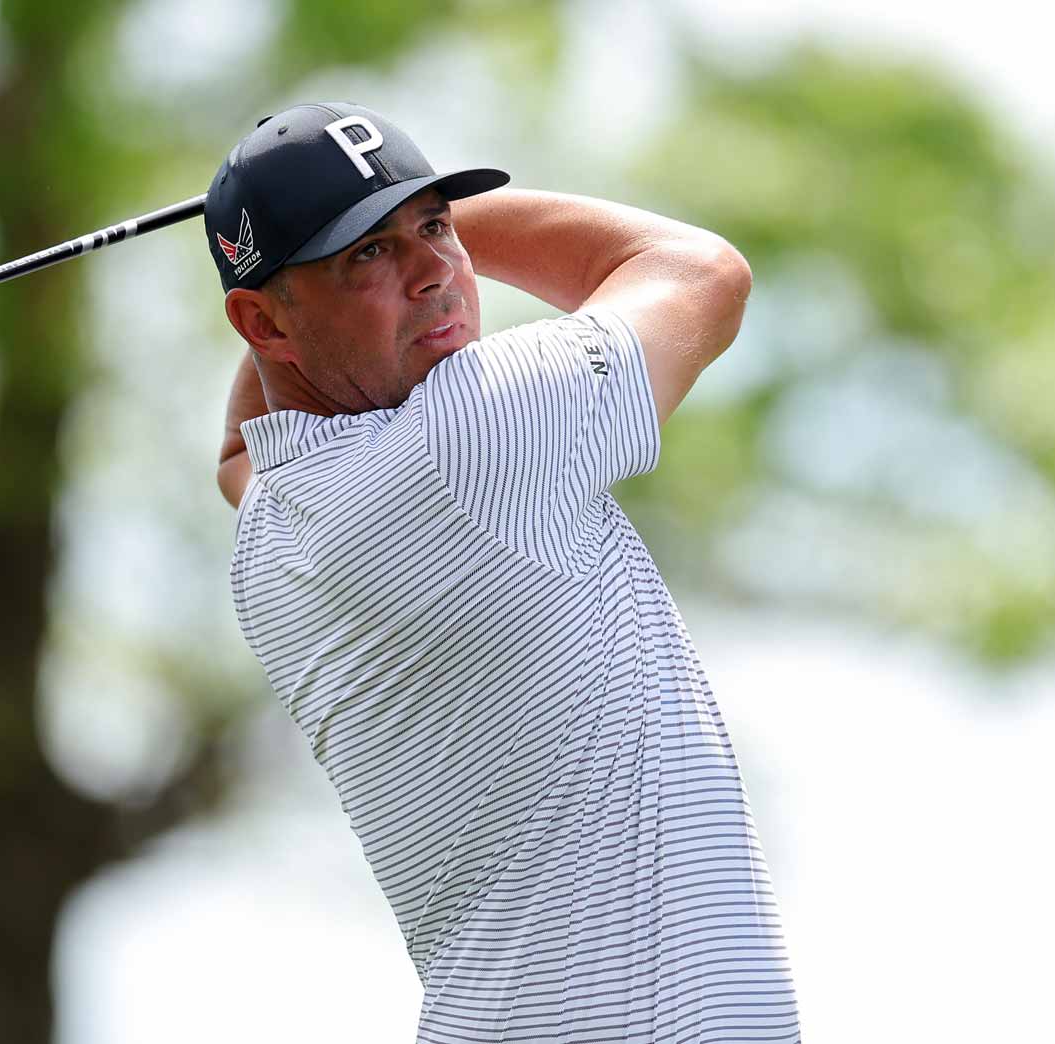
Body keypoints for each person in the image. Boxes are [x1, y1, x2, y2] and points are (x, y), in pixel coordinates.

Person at [208, 102, 799, 1043]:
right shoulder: (474, 432)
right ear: (264, 324)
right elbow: (703, 273)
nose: (436, 271)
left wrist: (315, 236)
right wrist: (425, 208)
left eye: (437, 227)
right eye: (369, 255)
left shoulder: (269, 535)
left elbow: (244, 448)